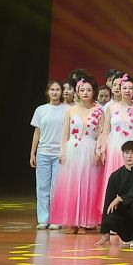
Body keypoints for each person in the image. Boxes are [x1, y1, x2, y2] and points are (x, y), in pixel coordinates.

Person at [51, 79, 106, 232]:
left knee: (88, 185)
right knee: (72, 185)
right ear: (77, 92)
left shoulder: (99, 110)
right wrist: (62, 152)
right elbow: (65, 133)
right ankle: (72, 222)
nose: (85, 93)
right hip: (73, 150)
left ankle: (85, 221)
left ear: (93, 92)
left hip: (90, 149)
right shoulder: (71, 110)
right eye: (82, 90)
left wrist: (98, 151)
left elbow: (102, 133)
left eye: (88, 90)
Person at [30, 80, 67, 229]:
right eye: (52, 89)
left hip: (60, 154)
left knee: (56, 188)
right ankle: (43, 219)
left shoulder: (67, 109)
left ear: (62, 92)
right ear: (47, 92)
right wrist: (32, 153)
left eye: (57, 89)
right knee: (42, 187)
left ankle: (56, 219)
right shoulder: (41, 110)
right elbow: (37, 132)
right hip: (43, 153)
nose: (55, 92)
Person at [102, 77, 133, 194]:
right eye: (124, 88)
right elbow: (105, 132)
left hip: (131, 146)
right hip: (114, 146)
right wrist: (102, 150)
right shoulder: (111, 108)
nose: (127, 91)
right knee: (114, 176)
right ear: (120, 89)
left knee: (131, 178)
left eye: (130, 88)